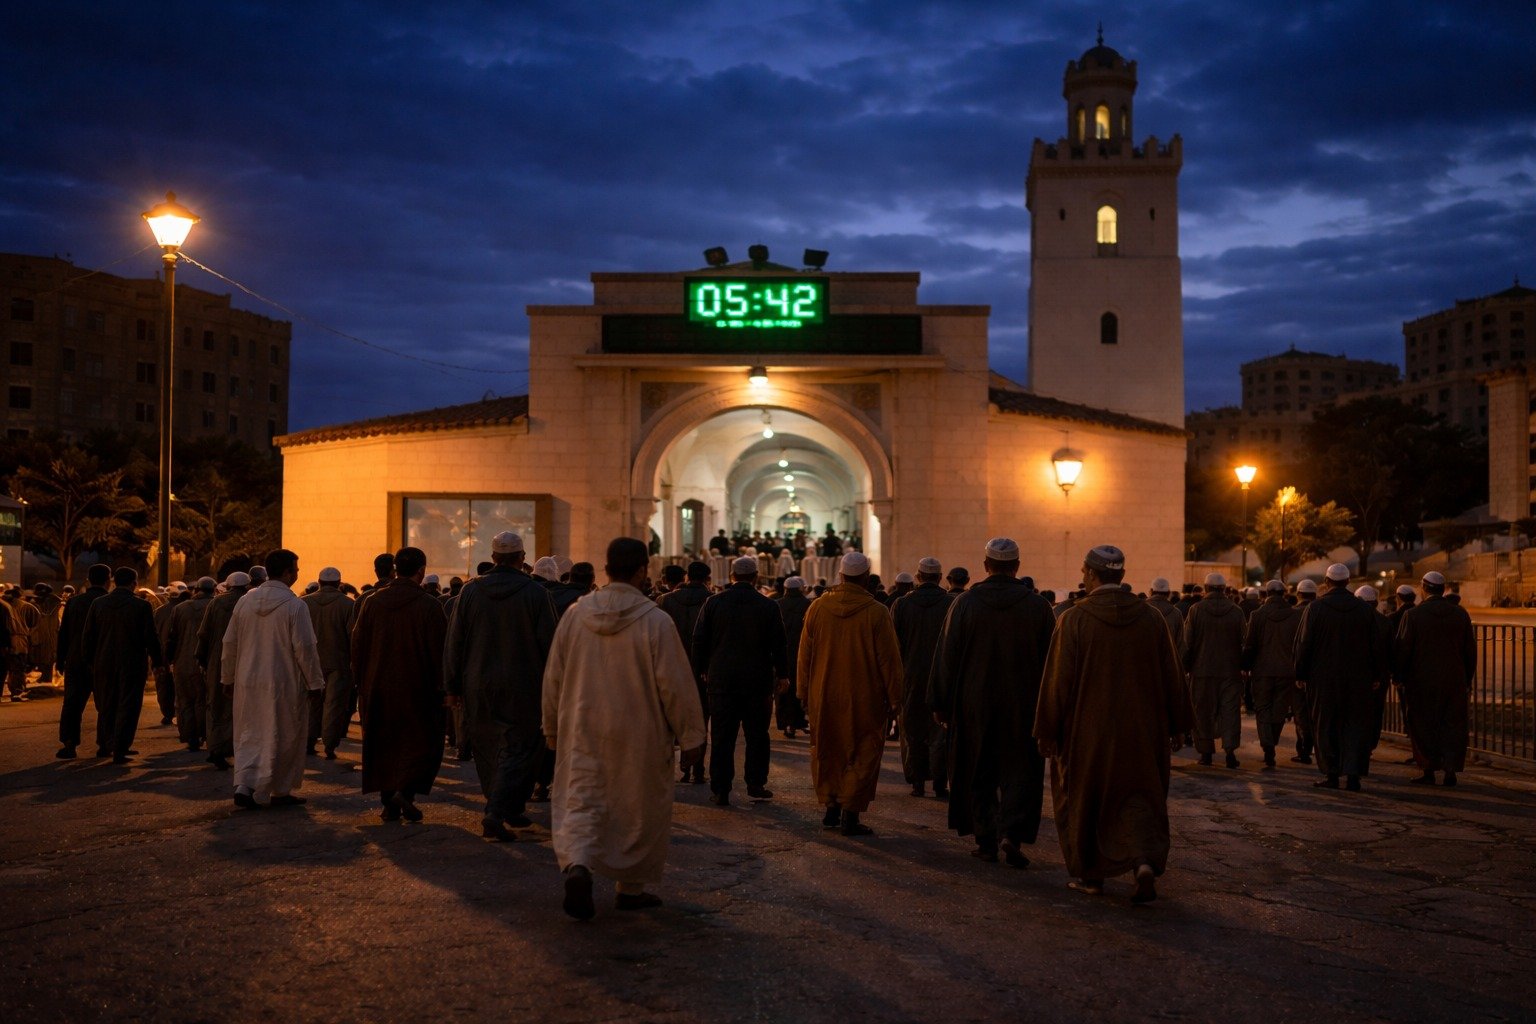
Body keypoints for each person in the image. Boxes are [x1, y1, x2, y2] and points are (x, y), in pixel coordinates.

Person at [542, 537, 706, 919]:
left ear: (607, 567)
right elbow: (675, 685)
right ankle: (630, 888)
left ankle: (578, 865)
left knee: (583, 799)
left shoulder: (576, 615)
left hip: (582, 727)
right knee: (635, 809)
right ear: (640, 571)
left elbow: (554, 677)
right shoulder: (655, 621)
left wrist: (551, 726)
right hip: (639, 734)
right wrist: (693, 736)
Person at [1035, 545, 1193, 903]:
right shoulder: (1151, 618)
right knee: (1139, 797)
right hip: (1142, 730)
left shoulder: (1074, 620)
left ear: (1091, 575)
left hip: (1088, 733)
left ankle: (1092, 877)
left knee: (1086, 799)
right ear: (1121, 576)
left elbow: (1057, 681)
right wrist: (1179, 723)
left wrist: (1046, 729)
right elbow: (1173, 675)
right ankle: (1143, 863)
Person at [930, 539, 1055, 866]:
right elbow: (1051, 664)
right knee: (1020, 771)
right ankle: (1011, 834)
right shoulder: (1038, 607)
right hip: (1023, 704)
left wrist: (940, 701)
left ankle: (985, 839)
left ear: (986, 565)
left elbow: (947, 656)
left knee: (977, 770)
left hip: (975, 703)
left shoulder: (965, 604)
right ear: (1017, 566)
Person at [443, 531, 557, 841]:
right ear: (522, 558)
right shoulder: (535, 594)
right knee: (521, 749)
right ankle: (497, 811)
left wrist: (452, 686)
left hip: (477, 683)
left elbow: (455, 643)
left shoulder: (469, 593)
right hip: (524, 685)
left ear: (493, 559)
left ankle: (508, 808)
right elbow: (550, 646)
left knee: (488, 748)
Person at [796, 551, 903, 837]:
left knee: (828, 749)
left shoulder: (818, 608)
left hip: (824, 693)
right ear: (866, 579)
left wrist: (803, 691)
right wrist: (896, 699)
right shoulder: (877, 612)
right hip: (865, 697)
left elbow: (804, 655)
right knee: (863, 753)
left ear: (841, 576)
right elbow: (889, 661)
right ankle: (850, 812)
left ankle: (831, 804)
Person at [352, 546, 449, 823]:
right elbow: (439, 651)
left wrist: (360, 681)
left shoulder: (372, 602)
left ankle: (389, 801)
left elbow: (357, 645)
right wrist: (444, 686)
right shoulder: (430, 606)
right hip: (418, 688)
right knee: (419, 742)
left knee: (383, 744)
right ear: (421, 571)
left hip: (377, 685)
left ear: (396, 569)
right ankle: (405, 793)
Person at [224, 550, 326, 809]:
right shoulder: (295, 605)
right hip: (283, 683)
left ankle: (245, 784)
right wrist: (315, 683)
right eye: (296, 568)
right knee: (283, 735)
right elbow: (305, 648)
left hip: (247, 680)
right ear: (288, 573)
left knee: (250, 732)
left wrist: (227, 678)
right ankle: (278, 789)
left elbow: (229, 643)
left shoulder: (245, 602)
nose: (298, 573)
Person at [691, 555, 788, 806]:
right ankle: (756, 784)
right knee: (757, 735)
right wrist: (783, 674)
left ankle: (721, 789)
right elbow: (779, 643)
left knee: (722, 736)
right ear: (756, 577)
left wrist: (702, 669)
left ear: (732, 576)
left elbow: (699, 640)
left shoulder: (714, 603)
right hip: (757, 681)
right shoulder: (767, 606)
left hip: (722, 680)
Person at [1293, 563, 1382, 791]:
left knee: (1326, 726)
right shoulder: (1364, 610)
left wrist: (1300, 673)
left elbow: (1304, 645)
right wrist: (1376, 674)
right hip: (1358, 679)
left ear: (1327, 581)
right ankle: (1353, 776)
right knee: (1354, 726)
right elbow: (1375, 646)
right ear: (1347, 581)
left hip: (1323, 680)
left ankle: (1332, 774)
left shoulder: (1315, 609)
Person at [1394, 571, 1476, 786]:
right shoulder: (1460, 614)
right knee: (1452, 724)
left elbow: (1404, 649)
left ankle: (1428, 768)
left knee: (1423, 724)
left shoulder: (1413, 616)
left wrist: (1399, 676)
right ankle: (1450, 770)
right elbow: (1470, 651)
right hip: (1454, 679)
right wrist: (1467, 679)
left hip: (1421, 681)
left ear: (1423, 588)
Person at [81, 567, 167, 763]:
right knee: (128, 705)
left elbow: (88, 636)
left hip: (103, 662)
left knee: (106, 704)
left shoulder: (98, 604)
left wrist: (89, 661)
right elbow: (150, 637)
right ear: (134, 583)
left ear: (114, 582)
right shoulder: (141, 606)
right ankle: (120, 747)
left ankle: (104, 744)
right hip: (132, 663)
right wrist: (158, 662)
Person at [890, 557, 953, 798]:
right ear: (939, 578)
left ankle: (917, 781)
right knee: (940, 730)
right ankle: (939, 783)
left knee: (912, 730)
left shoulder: (902, 605)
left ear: (918, 577)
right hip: (941, 677)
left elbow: (895, 646)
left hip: (911, 677)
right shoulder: (951, 604)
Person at [1181, 572, 1246, 768]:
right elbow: (1244, 642)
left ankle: (1206, 753)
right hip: (1230, 671)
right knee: (1230, 712)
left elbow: (1187, 642)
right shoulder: (1236, 611)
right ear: (1224, 589)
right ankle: (1230, 752)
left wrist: (1186, 667)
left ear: (1206, 588)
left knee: (1202, 713)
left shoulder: (1196, 610)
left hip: (1202, 671)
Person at [658, 560, 712, 783]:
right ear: (708, 579)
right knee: (700, 720)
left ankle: (677, 767)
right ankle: (697, 768)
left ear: (687, 576)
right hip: (702, 671)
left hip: (670, 669)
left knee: (668, 719)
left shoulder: (665, 601)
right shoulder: (712, 602)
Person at [1241, 579, 1302, 768]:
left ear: (1265, 594)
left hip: (1262, 670)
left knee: (1263, 709)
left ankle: (1267, 743)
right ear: (1284, 593)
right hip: (1287, 671)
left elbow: (1250, 644)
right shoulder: (1295, 616)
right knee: (1280, 710)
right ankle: (1271, 740)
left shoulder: (1257, 615)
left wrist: (1246, 665)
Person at [55, 564, 112, 758]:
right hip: (102, 661)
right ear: (108, 580)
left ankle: (69, 744)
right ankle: (105, 744)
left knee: (72, 704)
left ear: (88, 579)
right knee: (105, 704)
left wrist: (60, 659)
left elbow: (63, 634)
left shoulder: (74, 603)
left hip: (76, 660)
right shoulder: (109, 603)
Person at [197, 571, 251, 771]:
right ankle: (238, 749)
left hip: (216, 661)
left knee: (216, 706)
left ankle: (216, 749)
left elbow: (203, 633)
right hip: (245, 661)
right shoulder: (249, 602)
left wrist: (202, 659)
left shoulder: (216, 603)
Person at [302, 567, 356, 760]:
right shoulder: (348, 604)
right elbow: (352, 637)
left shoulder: (304, 603)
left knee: (311, 703)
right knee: (334, 706)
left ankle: (308, 741)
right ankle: (330, 746)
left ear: (319, 581)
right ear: (339, 583)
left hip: (308, 663)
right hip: (339, 663)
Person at [165, 577, 216, 752]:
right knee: (205, 701)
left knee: (185, 701)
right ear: (214, 589)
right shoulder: (216, 606)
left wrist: (169, 660)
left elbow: (172, 637)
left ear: (196, 590)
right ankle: (205, 734)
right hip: (208, 662)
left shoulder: (180, 609)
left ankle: (190, 737)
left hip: (182, 662)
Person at [773, 576, 812, 738]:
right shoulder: (808, 605)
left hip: (781, 654)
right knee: (799, 688)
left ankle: (787, 723)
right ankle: (798, 720)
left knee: (783, 690)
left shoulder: (777, 604)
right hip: (802, 654)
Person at [29, 583, 62, 684]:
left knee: (46, 655)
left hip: (47, 631)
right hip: (48, 631)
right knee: (45, 655)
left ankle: (46, 676)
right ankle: (45, 675)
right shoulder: (53, 601)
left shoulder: (50, 601)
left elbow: (45, 614)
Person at [1148, 577, 1184, 647]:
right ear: (1168, 593)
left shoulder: (1140, 609)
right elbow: (1180, 644)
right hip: (1169, 657)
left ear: (1151, 592)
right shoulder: (1176, 613)